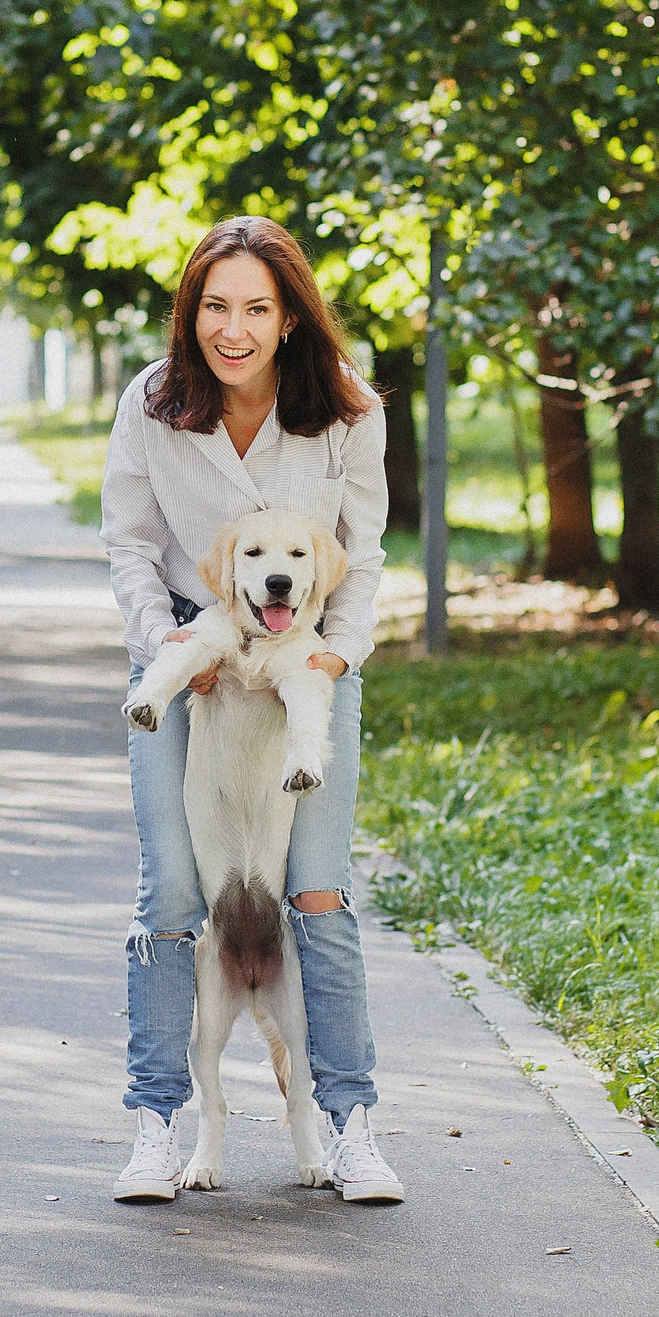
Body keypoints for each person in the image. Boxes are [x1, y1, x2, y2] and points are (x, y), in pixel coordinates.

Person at [98, 214, 403, 1206]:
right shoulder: (151, 401)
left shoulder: (348, 409)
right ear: (189, 314)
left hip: (306, 661)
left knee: (314, 888)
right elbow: (129, 543)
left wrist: (335, 648)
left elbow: (365, 551)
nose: (233, 329)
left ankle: (348, 1121)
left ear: (288, 317)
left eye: (256, 309)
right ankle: (155, 1123)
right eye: (214, 307)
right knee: (174, 892)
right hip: (189, 649)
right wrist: (163, 646)